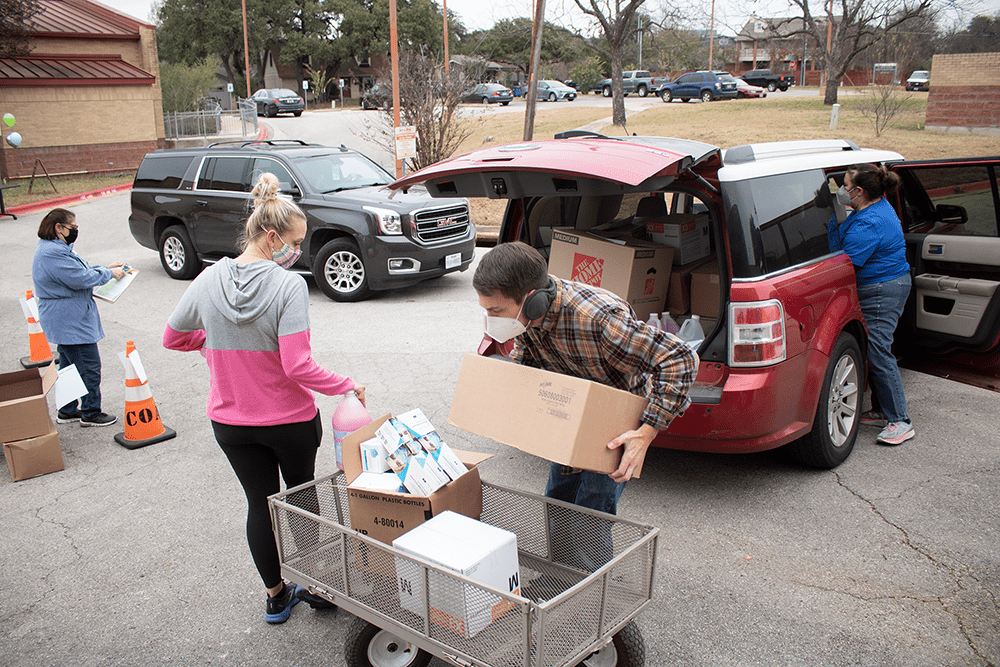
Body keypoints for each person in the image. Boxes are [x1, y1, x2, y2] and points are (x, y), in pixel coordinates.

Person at [163, 173, 366, 624]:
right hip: (290, 420)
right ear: (272, 237)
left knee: (259, 503)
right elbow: (297, 366)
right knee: (300, 498)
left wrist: (212, 341)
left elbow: (171, 337)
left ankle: (276, 595)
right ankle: (315, 585)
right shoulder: (288, 286)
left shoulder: (207, 278)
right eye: (295, 242)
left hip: (232, 423)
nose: (298, 252)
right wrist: (345, 384)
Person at [473, 241, 698, 516]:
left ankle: (592, 561)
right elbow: (524, 363)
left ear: (534, 301)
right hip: (568, 413)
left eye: (495, 311)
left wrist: (645, 433)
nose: (490, 318)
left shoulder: (600, 320)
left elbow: (680, 359)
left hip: (611, 424)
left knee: (592, 510)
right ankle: (560, 559)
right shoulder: (525, 319)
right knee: (558, 501)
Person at [827, 164, 915, 446]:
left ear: (859, 191)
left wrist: (832, 222)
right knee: (876, 347)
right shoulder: (877, 205)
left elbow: (845, 263)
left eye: (845, 185)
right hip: (888, 283)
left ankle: (900, 421)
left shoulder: (869, 223)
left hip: (882, 290)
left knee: (878, 351)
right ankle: (881, 409)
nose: (841, 191)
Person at [32, 208, 124, 427]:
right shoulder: (52, 253)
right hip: (70, 321)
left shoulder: (54, 248)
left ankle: (67, 410)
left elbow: (76, 270)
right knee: (88, 366)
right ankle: (91, 412)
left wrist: (103, 268)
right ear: (59, 227)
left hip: (65, 318)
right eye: (73, 228)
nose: (76, 231)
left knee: (68, 367)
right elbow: (80, 277)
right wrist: (109, 274)